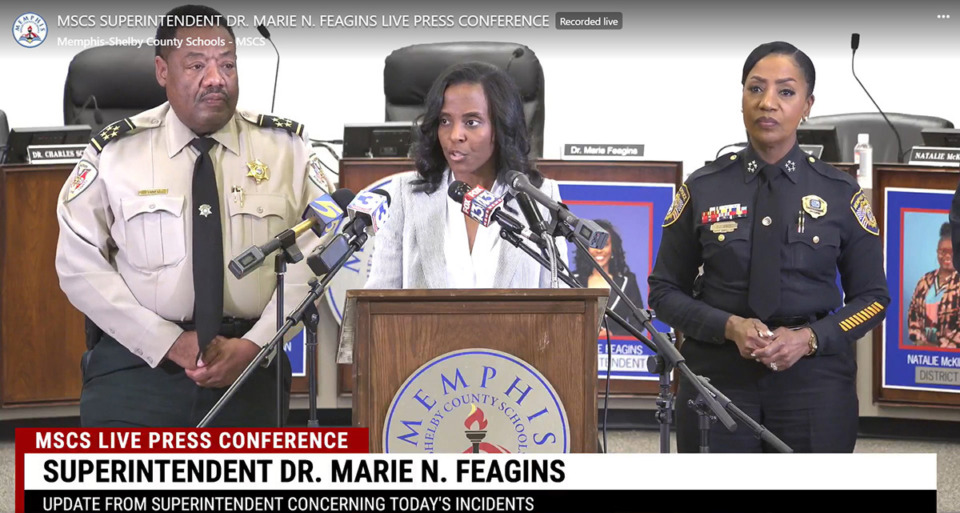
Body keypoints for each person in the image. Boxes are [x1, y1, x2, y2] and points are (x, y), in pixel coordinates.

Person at [55, 5, 335, 427]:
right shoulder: (115, 153)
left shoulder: (288, 149)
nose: (216, 79)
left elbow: (323, 248)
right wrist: (166, 341)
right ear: (162, 71)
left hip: (247, 360)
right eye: (197, 65)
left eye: (227, 64)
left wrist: (257, 344)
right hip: (138, 360)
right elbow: (78, 265)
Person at [648, 41, 889, 453]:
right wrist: (729, 326)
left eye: (786, 91)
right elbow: (664, 292)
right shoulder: (703, 188)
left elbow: (874, 299)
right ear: (741, 98)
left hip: (814, 380)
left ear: (808, 105)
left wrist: (809, 338)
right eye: (755, 89)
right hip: (717, 377)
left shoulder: (840, 192)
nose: (768, 103)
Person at [365, 62, 566, 289]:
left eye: (471, 122)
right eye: (445, 121)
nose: (455, 135)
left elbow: (561, 300)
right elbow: (379, 299)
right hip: (425, 327)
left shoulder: (539, 196)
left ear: (501, 127)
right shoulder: (405, 195)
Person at [573, 219, 644, 337]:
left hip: (616, 352)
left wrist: (612, 335)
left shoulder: (628, 281)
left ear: (612, 248)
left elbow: (638, 324)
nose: (599, 250)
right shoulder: (572, 280)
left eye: (605, 245)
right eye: (593, 245)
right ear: (586, 248)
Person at [907, 222, 960, 348]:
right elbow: (913, 311)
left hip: (951, 357)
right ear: (937, 252)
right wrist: (920, 341)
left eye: (952, 252)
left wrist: (938, 347)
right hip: (922, 351)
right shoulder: (925, 280)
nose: (947, 256)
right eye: (943, 251)